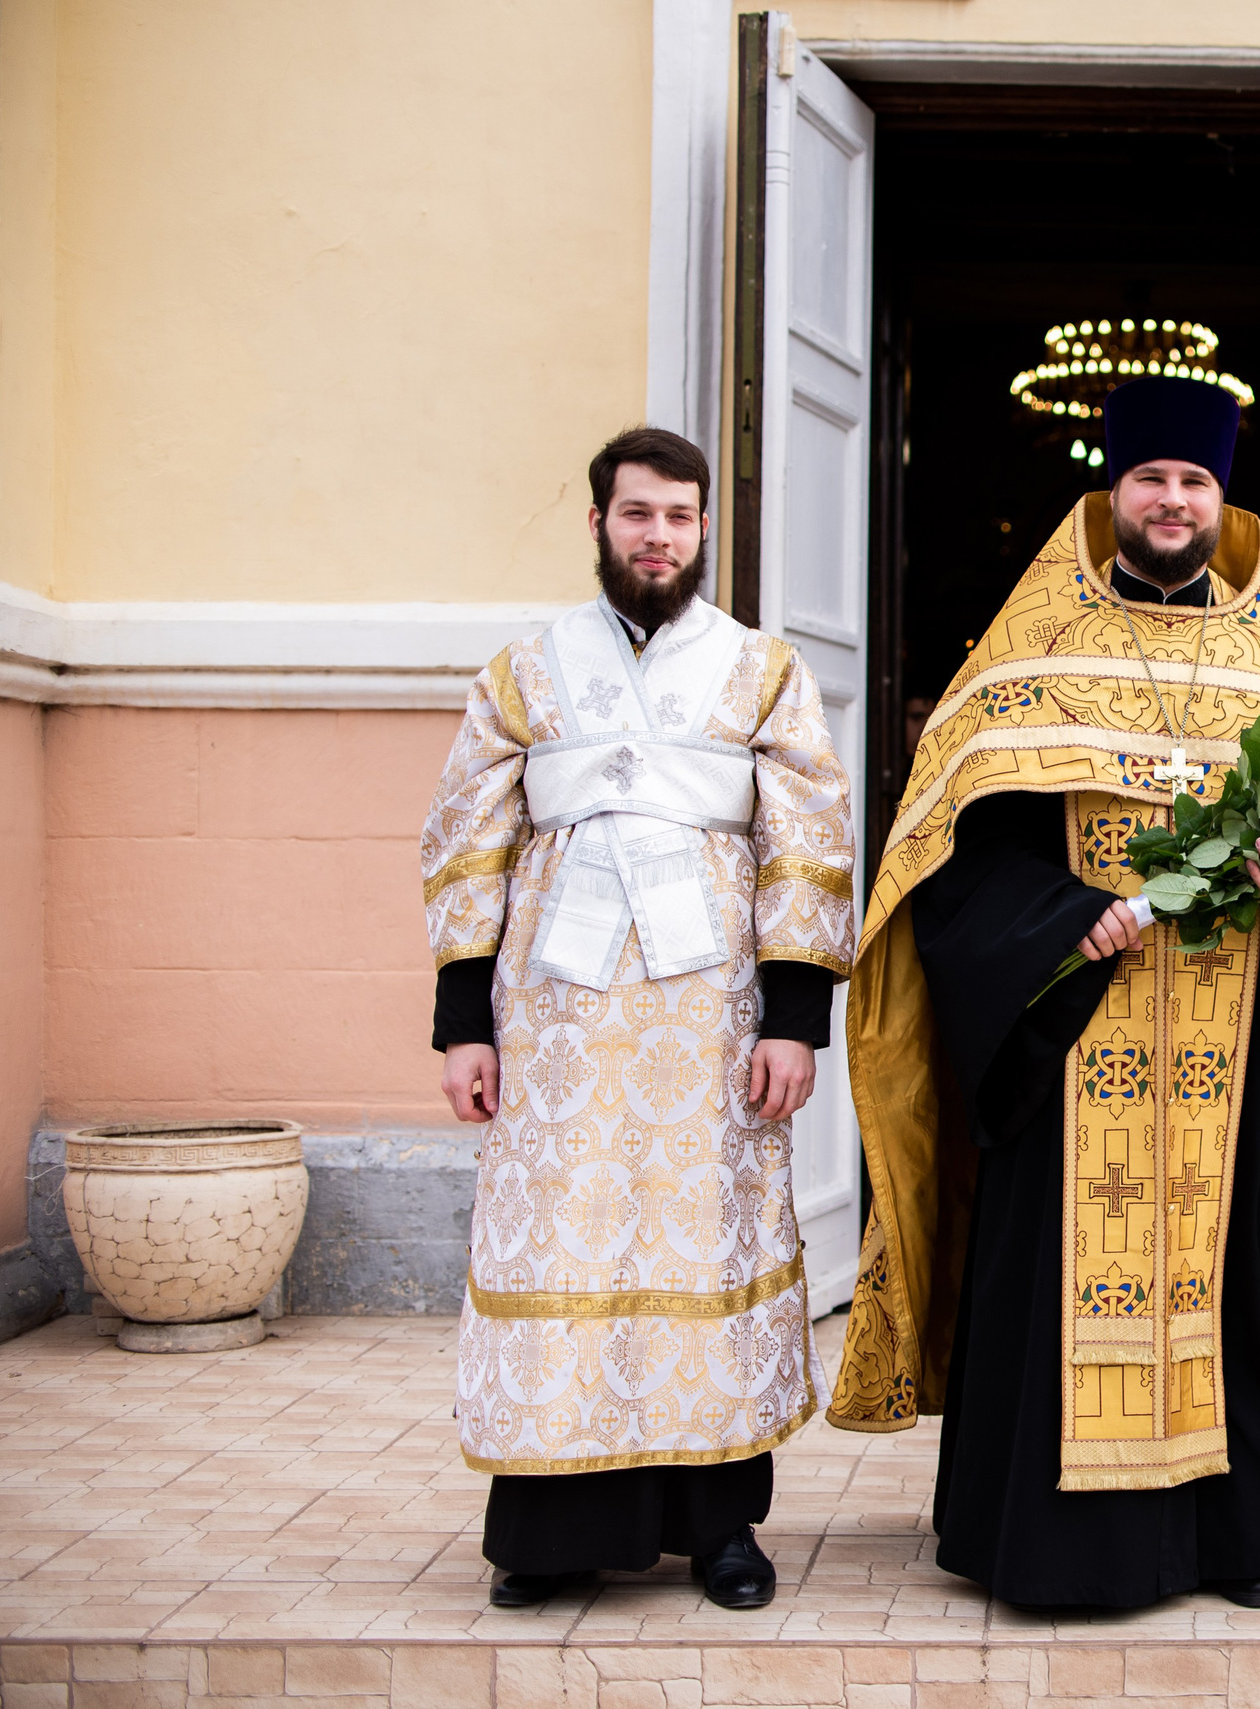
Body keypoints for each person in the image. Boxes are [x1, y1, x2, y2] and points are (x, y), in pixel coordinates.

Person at [825, 377, 1260, 1610]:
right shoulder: (1029, 655)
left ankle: (1227, 1538)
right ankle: (1037, 1541)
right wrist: (1070, 921)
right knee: (1051, 1268)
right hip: (1065, 1024)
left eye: (1195, 483)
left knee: (1215, 1274)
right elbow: (948, 855)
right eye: (1151, 480)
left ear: (1222, 504)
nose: (1172, 500)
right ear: (1111, 494)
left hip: (1227, 1041)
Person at [420, 427, 858, 1610]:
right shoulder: (525, 671)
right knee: (563, 1245)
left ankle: (721, 1529)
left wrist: (795, 1017)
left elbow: (807, 839)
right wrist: (466, 1020)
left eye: (678, 515)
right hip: (553, 1020)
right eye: (636, 514)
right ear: (601, 524)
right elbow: (468, 838)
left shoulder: (761, 669)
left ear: (706, 527)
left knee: (705, 1238)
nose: (657, 535)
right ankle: (549, 1532)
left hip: (710, 1020)